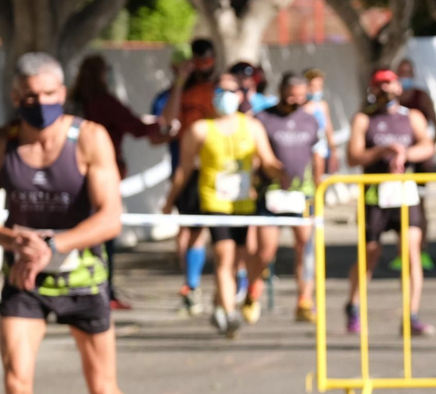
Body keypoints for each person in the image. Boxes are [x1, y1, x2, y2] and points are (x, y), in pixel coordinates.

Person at [0, 53, 135, 394]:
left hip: (83, 279)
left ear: (62, 93)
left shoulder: (88, 138)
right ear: (15, 98)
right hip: (26, 281)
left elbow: (111, 217)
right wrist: (14, 239)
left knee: (104, 391)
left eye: (48, 94)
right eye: (29, 96)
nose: (39, 103)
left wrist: (56, 244)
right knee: (16, 380)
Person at [164, 70, 285, 335]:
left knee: (239, 261)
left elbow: (267, 161)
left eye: (230, 90)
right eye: (219, 90)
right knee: (224, 256)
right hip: (214, 202)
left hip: (243, 204)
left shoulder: (251, 127)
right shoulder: (199, 129)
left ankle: (221, 304)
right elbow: (183, 170)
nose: (224, 96)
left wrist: (284, 172)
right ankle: (230, 314)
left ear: (240, 94)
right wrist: (169, 201)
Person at [70, 55, 169, 310]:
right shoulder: (104, 102)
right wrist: (162, 125)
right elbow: (136, 127)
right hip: (103, 178)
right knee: (105, 231)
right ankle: (104, 291)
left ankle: (83, 287)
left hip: (71, 177)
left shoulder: (73, 104)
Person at [345, 69, 436, 336]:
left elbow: (427, 146)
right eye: (381, 86)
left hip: (404, 193)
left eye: (391, 84)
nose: (387, 90)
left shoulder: (412, 117)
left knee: (411, 252)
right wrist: (382, 151)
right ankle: (353, 304)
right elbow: (353, 156)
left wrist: (405, 154)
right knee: (370, 255)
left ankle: (411, 314)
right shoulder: (365, 119)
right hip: (375, 194)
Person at [252, 73, 324, 323]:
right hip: (271, 193)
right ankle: (253, 293)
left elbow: (317, 155)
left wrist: (319, 186)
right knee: (265, 251)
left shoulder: (310, 120)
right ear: (282, 91)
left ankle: (304, 300)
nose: (296, 100)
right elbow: (256, 157)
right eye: (292, 94)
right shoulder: (263, 118)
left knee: (306, 248)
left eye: (302, 96)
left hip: (302, 194)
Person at [160, 39, 221, 317]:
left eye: (206, 61)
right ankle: (191, 285)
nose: (202, 66)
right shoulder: (174, 93)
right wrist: (180, 82)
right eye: (197, 61)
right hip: (186, 171)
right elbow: (167, 126)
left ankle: (227, 285)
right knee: (188, 230)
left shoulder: (219, 90)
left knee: (208, 231)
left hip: (216, 170)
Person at [394, 57, 436, 272]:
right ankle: (401, 253)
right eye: (401, 72)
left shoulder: (422, 97)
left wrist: (427, 149)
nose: (405, 76)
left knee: (419, 206)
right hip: (396, 163)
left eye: (408, 72)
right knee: (396, 207)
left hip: (418, 161)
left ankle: (422, 249)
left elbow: (435, 125)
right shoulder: (391, 99)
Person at [302, 68, 339, 176]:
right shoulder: (301, 107)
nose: (316, 90)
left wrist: (333, 151)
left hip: (321, 147)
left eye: (319, 86)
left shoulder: (322, 105)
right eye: (313, 86)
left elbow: (328, 128)